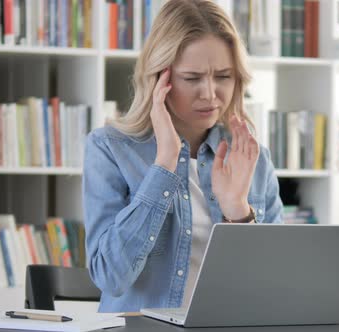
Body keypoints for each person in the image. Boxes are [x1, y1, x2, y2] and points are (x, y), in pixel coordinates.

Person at [83, 0, 283, 313]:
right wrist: (163, 166)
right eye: (192, 78)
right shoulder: (110, 148)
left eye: (223, 76)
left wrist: (238, 212)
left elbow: (276, 287)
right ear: (159, 79)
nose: (210, 93)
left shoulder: (252, 158)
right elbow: (110, 277)